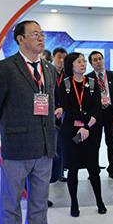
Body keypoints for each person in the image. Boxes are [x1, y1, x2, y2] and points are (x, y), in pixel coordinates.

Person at [0, 20, 61, 224]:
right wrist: (7, 128)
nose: (41, 38)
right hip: (17, 145)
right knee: (11, 199)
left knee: (40, 197)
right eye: (35, 34)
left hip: (45, 144)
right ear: (20, 39)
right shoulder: (4, 68)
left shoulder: (49, 69)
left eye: (42, 34)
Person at [58, 52, 106, 217]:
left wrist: (86, 126)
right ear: (71, 65)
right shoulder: (64, 84)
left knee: (93, 169)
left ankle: (99, 201)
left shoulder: (92, 83)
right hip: (71, 133)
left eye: (84, 61)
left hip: (90, 131)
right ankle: (74, 203)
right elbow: (68, 108)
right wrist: (85, 120)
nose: (83, 64)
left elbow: (96, 107)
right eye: (79, 62)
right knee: (73, 169)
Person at [86, 50, 113, 180]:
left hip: (110, 112)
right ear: (91, 64)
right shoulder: (88, 78)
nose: (98, 62)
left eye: (100, 59)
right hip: (96, 114)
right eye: (95, 60)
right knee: (95, 144)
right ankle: (93, 170)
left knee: (110, 143)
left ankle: (112, 169)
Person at [50, 47, 68, 185]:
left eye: (64, 58)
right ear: (53, 57)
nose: (61, 60)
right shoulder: (46, 72)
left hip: (64, 115)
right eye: (59, 57)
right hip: (49, 113)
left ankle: (60, 171)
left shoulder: (68, 75)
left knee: (61, 144)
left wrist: (63, 108)